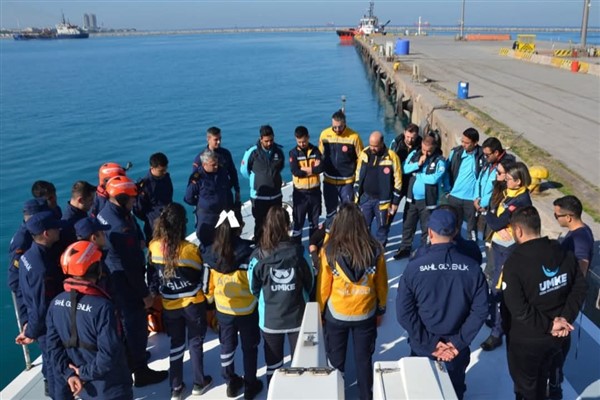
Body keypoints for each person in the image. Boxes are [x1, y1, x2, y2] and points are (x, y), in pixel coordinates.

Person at [396, 208, 488, 400]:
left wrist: (431, 344)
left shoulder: (414, 267)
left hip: (423, 346)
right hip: (456, 349)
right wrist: (457, 343)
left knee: (420, 391)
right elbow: (480, 311)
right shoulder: (472, 268)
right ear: (455, 232)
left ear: (429, 232)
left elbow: (404, 312)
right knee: (454, 391)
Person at [501, 206, 587, 400]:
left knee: (528, 388)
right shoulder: (563, 252)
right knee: (554, 374)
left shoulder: (514, 262)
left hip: (528, 342)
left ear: (518, 231)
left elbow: (517, 308)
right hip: (561, 337)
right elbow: (580, 288)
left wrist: (549, 324)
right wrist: (565, 318)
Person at [97, 175, 168, 387]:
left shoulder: (105, 214)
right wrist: (145, 294)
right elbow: (130, 266)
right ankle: (140, 370)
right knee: (136, 326)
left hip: (114, 279)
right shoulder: (120, 226)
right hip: (127, 284)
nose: (134, 203)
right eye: (131, 199)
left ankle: (132, 361)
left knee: (126, 325)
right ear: (121, 199)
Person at [317, 203, 388, 400]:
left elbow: (323, 286)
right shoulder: (375, 250)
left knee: (336, 360)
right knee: (364, 360)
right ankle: (366, 395)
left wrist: (321, 313)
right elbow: (381, 284)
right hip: (365, 312)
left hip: (337, 313)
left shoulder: (329, 251)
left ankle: (335, 394)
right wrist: (380, 309)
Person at [46, 241, 133, 400]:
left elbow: (52, 346)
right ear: (96, 268)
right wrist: (84, 373)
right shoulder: (103, 307)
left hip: (85, 388)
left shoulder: (55, 303)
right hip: (111, 387)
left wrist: (69, 374)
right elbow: (109, 354)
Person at [148, 203, 213, 399]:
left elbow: (151, 275)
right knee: (195, 342)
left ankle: (175, 387)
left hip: (169, 305)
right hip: (193, 303)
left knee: (176, 343)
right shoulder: (190, 250)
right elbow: (202, 276)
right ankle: (199, 382)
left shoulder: (153, 247)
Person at [248, 206, 313, 386]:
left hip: (270, 320)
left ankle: (273, 392)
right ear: (287, 226)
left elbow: (253, 287)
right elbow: (310, 281)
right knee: (299, 363)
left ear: (266, 226)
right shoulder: (300, 252)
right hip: (297, 317)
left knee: (273, 365)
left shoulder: (258, 256)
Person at [204, 210, 262, 400]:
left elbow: (206, 287)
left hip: (223, 309)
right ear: (239, 229)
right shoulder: (249, 252)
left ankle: (230, 381)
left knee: (226, 347)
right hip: (247, 309)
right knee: (249, 347)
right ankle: (251, 384)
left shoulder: (210, 254)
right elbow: (256, 282)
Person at [16, 211, 69, 398]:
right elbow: (41, 305)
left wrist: (26, 323)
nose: (59, 229)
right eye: (55, 227)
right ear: (46, 233)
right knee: (60, 372)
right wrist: (30, 332)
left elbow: (22, 293)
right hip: (50, 329)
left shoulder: (27, 258)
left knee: (51, 368)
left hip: (41, 326)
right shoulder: (42, 267)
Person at [480, 161, 532, 352]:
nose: (505, 180)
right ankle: (495, 320)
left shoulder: (520, 201)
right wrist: (493, 216)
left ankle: (496, 333)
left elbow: (496, 222)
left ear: (518, 182)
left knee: (498, 290)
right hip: (498, 246)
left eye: (509, 178)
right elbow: (496, 217)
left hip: (508, 250)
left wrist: (489, 215)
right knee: (492, 282)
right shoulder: (509, 195)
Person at [548, 195, 595, 399]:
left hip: (566, 300)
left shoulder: (580, 239)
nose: (555, 217)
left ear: (568, 216)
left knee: (558, 344)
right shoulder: (578, 233)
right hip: (565, 296)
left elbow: (580, 272)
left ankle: (555, 386)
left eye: (556, 214)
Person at [393, 134, 446, 259]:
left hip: (428, 201)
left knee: (426, 228)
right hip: (412, 199)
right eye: (424, 150)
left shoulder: (440, 161)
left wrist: (418, 175)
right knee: (408, 225)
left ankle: (424, 251)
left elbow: (434, 179)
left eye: (429, 151)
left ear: (434, 148)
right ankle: (405, 248)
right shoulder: (414, 154)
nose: (426, 153)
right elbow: (404, 169)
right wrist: (417, 164)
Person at [8, 199, 50, 330]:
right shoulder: (23, 239)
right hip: (28, 291)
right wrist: (25, 319)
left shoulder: (29, 232)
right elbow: (15, 278)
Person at [355, 131, 402, 246]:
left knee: (382, 227)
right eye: (371, 145)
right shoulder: (364, 153)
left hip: (383, 201)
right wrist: (356, 193)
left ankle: (380, 250)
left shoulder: (392, 157)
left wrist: (395, 202)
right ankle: (365, 249)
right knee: (364, 226)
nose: (372, 148)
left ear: (382, 143)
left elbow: (398, 180)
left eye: (375, 146)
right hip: (365, 198)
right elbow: (358, 173)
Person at [240, 125, 285, 242]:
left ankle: (275, 245)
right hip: (259, 196)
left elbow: (280, 168)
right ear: (261, 139)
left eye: (271, 140)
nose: (269, 143)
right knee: (260, 224)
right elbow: (244, 171)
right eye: (266, 141)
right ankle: (259, 246)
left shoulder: (279, 152)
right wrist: (256, 180)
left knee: (276, 223)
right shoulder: (252, 152)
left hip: (275, 195)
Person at [319, 110, 364, 224]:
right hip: (329, 181)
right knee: (330, 212)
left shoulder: (354, 137)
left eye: (340, 127)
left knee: (349, 212)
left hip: (347, 182)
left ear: (345, 123)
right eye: (334, 127)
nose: (337, 130)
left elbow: (361, 158)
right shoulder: (324, 135)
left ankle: (348, 238)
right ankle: (331, 237)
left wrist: (357, 177)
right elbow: (320, 155)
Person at [185, 149, 233, 249]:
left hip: (223, 215)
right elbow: (188, 198)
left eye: (216, 163)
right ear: (204, 164)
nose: (216, 166)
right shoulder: (198, 178)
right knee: (207, 244)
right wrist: (202, 203)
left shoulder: (222, 172)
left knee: (225, 242)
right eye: (213, 165)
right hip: (206, 217)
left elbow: (227, 190)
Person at [447, 128, 486, 241]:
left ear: (475, 143)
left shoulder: (482, 156)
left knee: (472, 230)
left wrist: (480, 197)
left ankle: (472, 252)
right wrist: (447, 191)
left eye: (467, 142)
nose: (463, 144)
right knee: (453, 227)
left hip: (472, 200)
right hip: (454, 197)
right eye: (462, 141)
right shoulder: (455, 152)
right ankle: (455, 251)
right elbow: (446, 172)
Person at [192, 126, 241, 209]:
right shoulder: (200, 158)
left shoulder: (226, 154)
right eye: (216, 139)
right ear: (208, 139)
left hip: (226, 196)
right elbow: (194, 181)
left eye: (220, 139)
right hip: (210, 199)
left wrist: (237, 189)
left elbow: (233, 172)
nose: (219, 142)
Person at [289, 125, 323, 241]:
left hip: (314, 192)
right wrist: (312, 169)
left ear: (308, 137)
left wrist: (305, 170)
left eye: (304, 141)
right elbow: (295, 171)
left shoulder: (315, 151)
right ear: (296, 139)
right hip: (300, 193)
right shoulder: (293, 153)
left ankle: (314, 246)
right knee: (298, 222)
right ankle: (296, 246)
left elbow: (320, 168)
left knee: (314, 222)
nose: (302, 144)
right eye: (299, 142)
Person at [134, 152, 174, 244]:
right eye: (161, 171)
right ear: (152, 168)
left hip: (169, 219)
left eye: (165, 169)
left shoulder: (166, 177)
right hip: (153, 225)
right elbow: (138, 210)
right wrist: (151, 218)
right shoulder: (144, 186)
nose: (164, 172)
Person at [389, 123, 422, 204]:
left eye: (412, 138)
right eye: (407, 137)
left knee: (409, 209)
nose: (409, 140)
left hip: (412, 181)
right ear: (404, 132)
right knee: (392, 207)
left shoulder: (421, 146)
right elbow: (390, 160)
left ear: (417, 135)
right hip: (397, 180)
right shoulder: (396, 143)